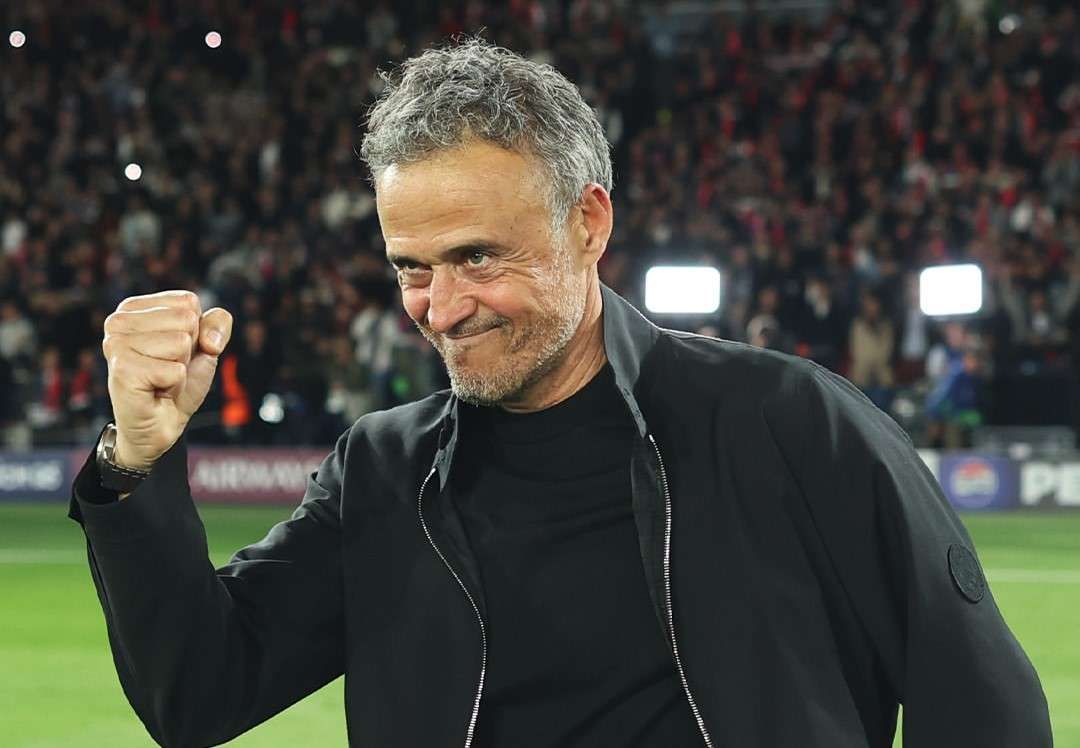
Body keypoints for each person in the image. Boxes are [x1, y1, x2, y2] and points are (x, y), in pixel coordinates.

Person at [70, 39, 1050, 747]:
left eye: (478, 257)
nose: (442, 308)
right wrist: (136, 460)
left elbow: (982, 707)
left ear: (589, 224)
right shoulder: (382, 472)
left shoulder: (794, 424)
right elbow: (200, 694)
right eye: (412, 267)